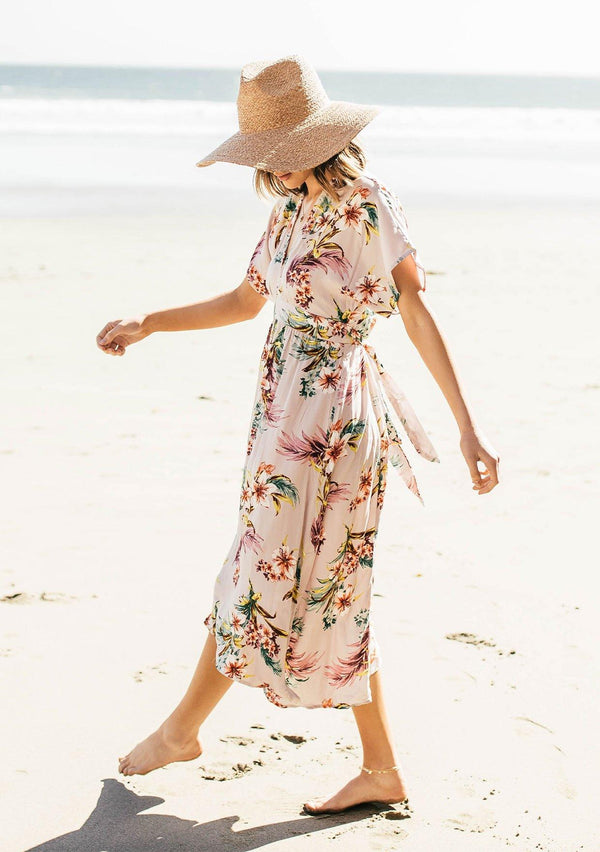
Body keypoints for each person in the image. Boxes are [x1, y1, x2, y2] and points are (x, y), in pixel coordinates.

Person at [96, 54, 500, 815]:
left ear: (318, 142)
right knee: (307, 583)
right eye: (265, 161)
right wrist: (150, 322)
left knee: (273, 576)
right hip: (280, 417)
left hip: (335, 425)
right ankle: (379, 769)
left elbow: (416, 314)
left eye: (281, 157)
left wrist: (468, 429)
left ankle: (182, 729)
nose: (273, 172)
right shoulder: (285, 211)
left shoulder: (370, 205)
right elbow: (244, 304)